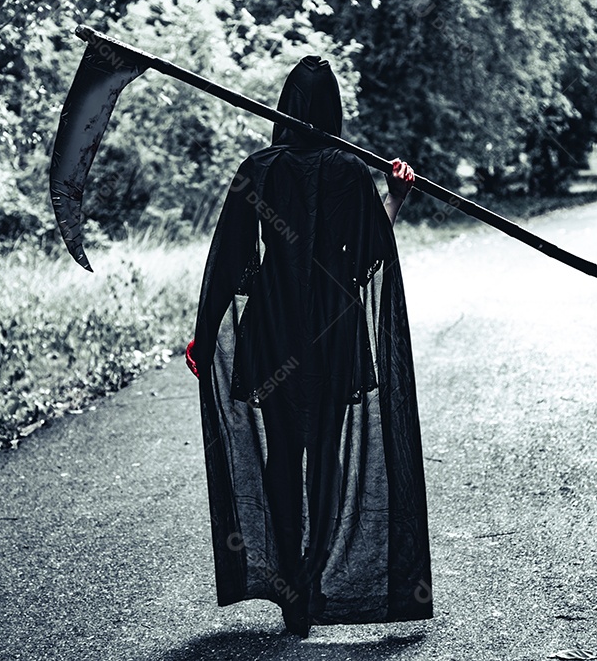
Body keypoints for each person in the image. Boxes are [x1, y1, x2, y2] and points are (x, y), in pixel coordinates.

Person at [184, 56, 432, 638]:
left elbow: (229, 264)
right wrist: (397, 195)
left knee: (282, 455)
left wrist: (205, 327)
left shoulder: (259, 170)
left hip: (272, 326)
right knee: (324, 456)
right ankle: (312, 584)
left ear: (284, 108)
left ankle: (293, 589)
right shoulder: (349, 170)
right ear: (334, 110)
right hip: (332, 327)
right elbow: (373, 254)